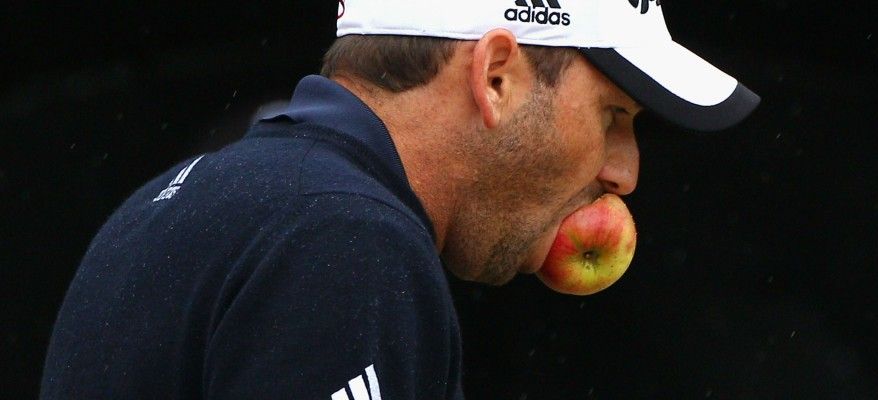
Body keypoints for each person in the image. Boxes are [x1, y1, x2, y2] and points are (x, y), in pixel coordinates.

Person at [41, 1, 759, 399]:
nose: (625, 173)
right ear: (497, 77)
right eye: (613, 117)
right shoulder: (343, 240)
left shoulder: (180, 199)